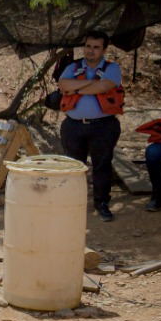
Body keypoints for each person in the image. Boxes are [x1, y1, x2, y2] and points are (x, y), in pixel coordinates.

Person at [57, 32, 124, 222]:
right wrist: (90, 84)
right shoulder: (73, 66)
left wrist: (75, 88)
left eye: (95, 47)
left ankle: (101, 204)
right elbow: (63, 85)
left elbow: (103, 87)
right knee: (73, 166)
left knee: (101, 165)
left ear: (103, 50)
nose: (90, 51)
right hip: (73, 125)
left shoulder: (112, 68)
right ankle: (73, 204)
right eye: (88, 46)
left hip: (103, 126)